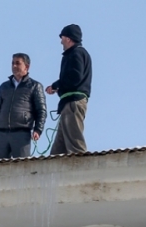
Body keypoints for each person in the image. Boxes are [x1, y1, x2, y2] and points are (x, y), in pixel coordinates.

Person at [0, 53, 47, 159]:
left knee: (22, 168)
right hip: (2, 134)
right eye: (13, 63)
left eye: (18, 63)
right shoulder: (4, 87)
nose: (14, 66)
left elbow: (41, 111)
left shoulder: (35, 86)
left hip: (21, 134)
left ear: (26, 66)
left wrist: (38, 129)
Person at [46, 24, 92, 154]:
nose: (61, 41)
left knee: (75, 145)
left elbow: (75, 78)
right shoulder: (76, 54)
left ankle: (82, 171)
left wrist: (56, 85)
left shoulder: (77, 53)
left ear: (68, 38)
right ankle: (56, 171)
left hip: (73, 103)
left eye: (62, 37)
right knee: (57, 152)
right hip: (68, 104)